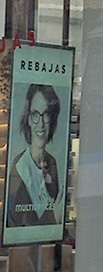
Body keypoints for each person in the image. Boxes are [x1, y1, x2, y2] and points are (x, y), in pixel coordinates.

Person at [6, 83, 62, 228]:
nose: (41, 124)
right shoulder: (19, 167)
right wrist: (53, 217)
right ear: (29, 119)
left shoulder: (51, 162)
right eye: (35, 115)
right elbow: (18, 228)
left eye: (47, 115)